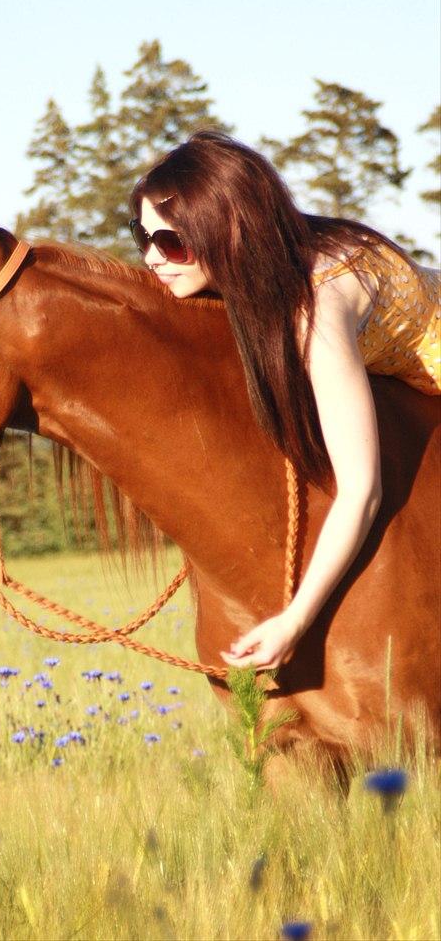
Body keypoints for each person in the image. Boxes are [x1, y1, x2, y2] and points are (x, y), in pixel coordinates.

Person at [128, 131, 440, 671]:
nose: (154, 258)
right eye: (142, 236)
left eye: (173, 242)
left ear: (229, 231)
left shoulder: (316, 305)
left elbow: (362, 490)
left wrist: (295, 620)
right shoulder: (270, 264)